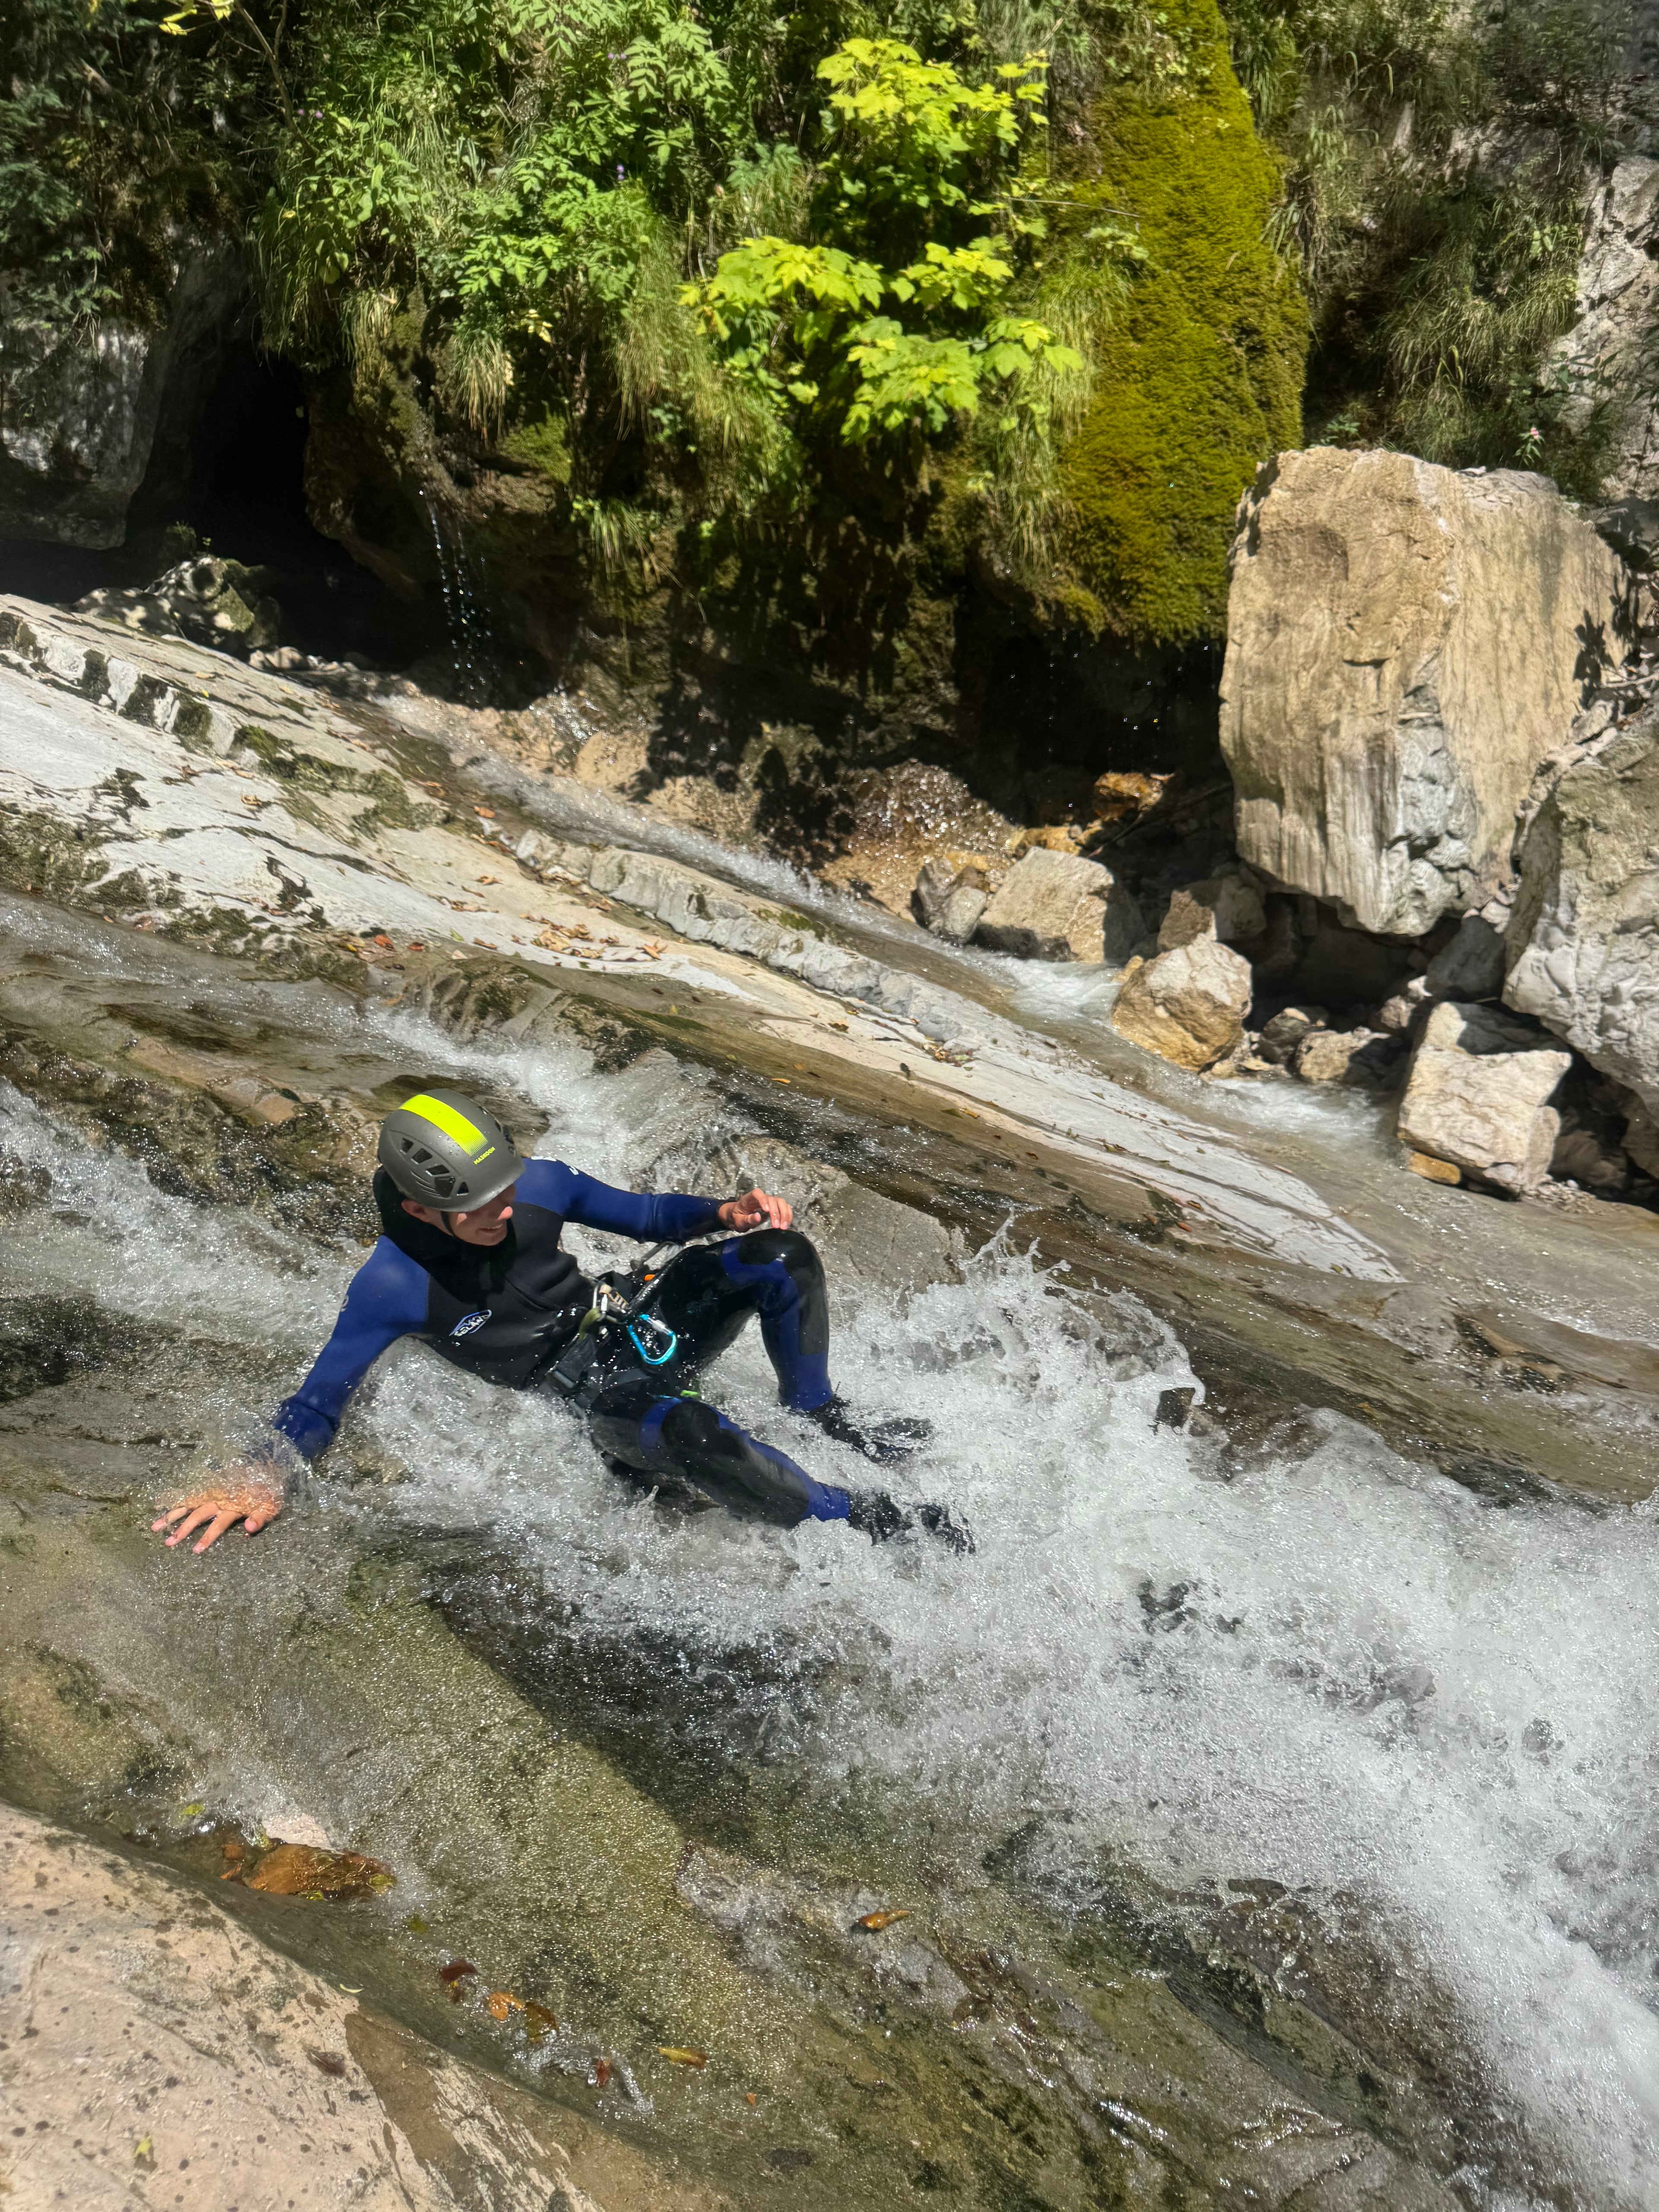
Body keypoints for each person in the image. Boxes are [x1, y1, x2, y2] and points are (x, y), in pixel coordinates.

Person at [153, 1088, 967, 1557]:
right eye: (478, 1207)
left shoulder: (534, 1185)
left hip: (630, 1326)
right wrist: (263, 1473)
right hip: (590, 1397)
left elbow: (646, 1213)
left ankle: (820, 1409)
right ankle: (854, 1518)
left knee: (778, 1254)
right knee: (690, 1430)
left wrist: (726, 1210)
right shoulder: (391, 1286)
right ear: (418, 1207)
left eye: (506, 1191)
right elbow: (318, 1401)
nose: (505, 1213)